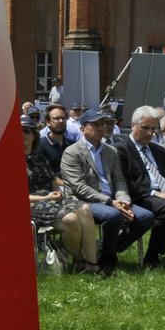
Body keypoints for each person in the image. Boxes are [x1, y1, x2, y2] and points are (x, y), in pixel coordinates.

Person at [60, 107, 153, 271]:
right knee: (113, 215)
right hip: (84, 202)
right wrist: (110, 202)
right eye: (95, 124)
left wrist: (124, 200)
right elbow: (79, 187)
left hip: (113, 199)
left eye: (103, 124)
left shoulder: (111, 151)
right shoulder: (72, 152)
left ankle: (106, 249)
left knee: (146, 217)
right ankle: (109, 260)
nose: (101, 128)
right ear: (83, 129)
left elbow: (119, 180)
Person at [114, 106, 165, 268]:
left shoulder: (158, 150)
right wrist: (156, 194)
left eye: (153, 129)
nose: (150, 133)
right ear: (133, 125)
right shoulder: (120, 150)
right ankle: (152, 255)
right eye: (145, 128)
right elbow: (123, 182)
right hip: (141, 197)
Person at [23, 113, 100, 272]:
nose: (21, 134)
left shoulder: (39, 158)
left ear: (34, 136)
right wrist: (45, 197)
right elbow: (14, 195)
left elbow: (52, 180)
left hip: (51, 200)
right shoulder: (9, 160)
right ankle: (79, 260)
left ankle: (92, 264)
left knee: (85, 209)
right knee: (71, 219)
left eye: (26, 131)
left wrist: (58, 193)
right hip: (30, 204)